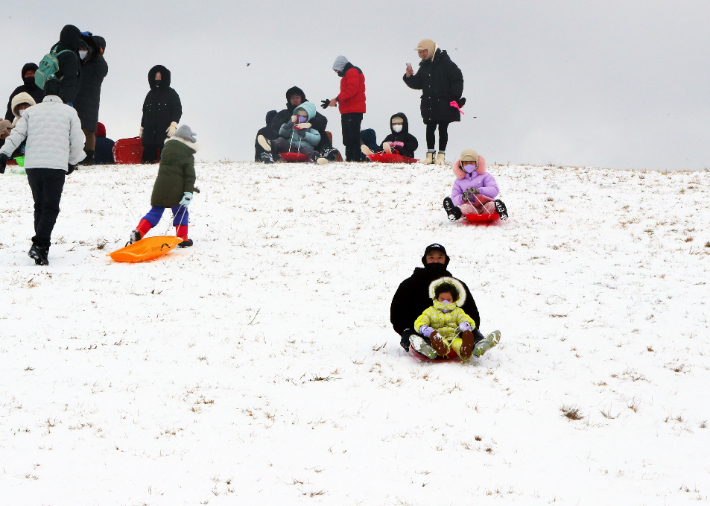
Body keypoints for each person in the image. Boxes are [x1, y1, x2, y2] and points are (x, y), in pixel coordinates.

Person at [0, 78, 85, 266]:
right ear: (60, 94)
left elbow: (17, 135)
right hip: (55, 165)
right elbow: (78, 141)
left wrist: (4, 153)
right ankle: (39, 244)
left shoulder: (30, 112)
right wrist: (72, 161)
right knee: (51, 207)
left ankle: (42, 249)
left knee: (39, 205)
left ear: (45, 94)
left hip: (33, 165)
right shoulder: (70, 112)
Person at [390, 244, 490, 356]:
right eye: (431, 257)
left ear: (446, 260)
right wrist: (406, 330)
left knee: (469, 329)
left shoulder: (456, 285)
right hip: (423, 332)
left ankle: (477, 344)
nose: (435, 261)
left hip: (454, 333)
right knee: (418, 338)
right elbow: (398, 311)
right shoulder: (410, 284)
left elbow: (471, 312)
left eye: (440, 257)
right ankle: (424, 347)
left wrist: (469, 328)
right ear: (425, 260)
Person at [128, 125, 197, 247]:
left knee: (155, 212)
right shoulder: (187, 155)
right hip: (177, 189)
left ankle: (139, 231)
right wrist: (188, 192)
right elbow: (189, 176)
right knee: (181, 212)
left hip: (160, 187)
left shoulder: (166, 150)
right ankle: (182, 238)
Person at [403, 39, 464, 165]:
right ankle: (430, 156)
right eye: (419, 52)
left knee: (443, 128)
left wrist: (454, 97)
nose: (422, 54)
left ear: (430, 50)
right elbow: (418, 83)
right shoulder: (424, 66)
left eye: (424, 51)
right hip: (429, 103)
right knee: (430, 128)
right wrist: (409, 77)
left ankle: (441, 156)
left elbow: (458, 78)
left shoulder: (446, 62)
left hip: (444, 103)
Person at [413, 278, 480, 360]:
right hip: (438, 337)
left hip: (454, 337)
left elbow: (465, 318)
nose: (445, 302)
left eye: (449, 300)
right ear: (436, 298)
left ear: (454, 300)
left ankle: (465, 349)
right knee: (440, 341)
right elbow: (421, 320)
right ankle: (441, 348)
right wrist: (423, 328)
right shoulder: (430, 311)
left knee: (459, 343)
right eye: (442, 299)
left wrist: (465, 325)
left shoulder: (457, 311)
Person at [267, 86, 336, 161]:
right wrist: (288, 123)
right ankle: (270, 151)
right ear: (289, 100)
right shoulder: (284, 113)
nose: (295, 100)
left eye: (297, 97)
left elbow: (323, 121)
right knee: (279, 137)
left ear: (302, 98)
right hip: (288, 143)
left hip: (307, 146)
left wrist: (310, 124)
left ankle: (326, 151)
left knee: (322, 132)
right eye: (292, 98)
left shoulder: (310, 113)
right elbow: (274, 125)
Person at [443, 149, 508, 221]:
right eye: (466, 163)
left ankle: (500, 210)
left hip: (485, 205)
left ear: (476, 163)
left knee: (491, 206)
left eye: (471, 163)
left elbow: (495, 190)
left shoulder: (485, 176)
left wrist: (479, 190)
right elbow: (454, 199)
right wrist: (462, 197)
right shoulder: (459, 182)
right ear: (461, 164)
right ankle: (454, 213)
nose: (469, 165)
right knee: (465, 208)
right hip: (470, 207)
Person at [322, 56, 366, 162]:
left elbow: (352, 90)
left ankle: (354, 159)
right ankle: (350, 159)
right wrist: (334, 102)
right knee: (348, 138)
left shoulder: (352, 72)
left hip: (353, 111)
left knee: (352, 137)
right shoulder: (350, 73)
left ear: (341, 66)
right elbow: (349, 94)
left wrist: (337, 99)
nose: (337, 72)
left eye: (336, 69)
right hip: (348, 110)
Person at [74, 33, 108, 165]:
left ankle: (89, 156)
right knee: (73, 127)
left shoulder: (97, 63)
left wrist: (97, 55)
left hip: (90, 99)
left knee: (89, 129)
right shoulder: (79, 61)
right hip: (76, 97)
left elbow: (102, 71)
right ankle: (75, 154)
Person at [140, 65, 182, 163]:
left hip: (164, 133)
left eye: (160, 76)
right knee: (147, 162)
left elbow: (177, 110)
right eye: (156, 77)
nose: (158, 79)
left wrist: (173, 124)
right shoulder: (150, 94)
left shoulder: (171, 93)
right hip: (149, 135)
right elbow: (145, 112)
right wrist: (142, 127)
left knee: (166, 161)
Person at [47, 25, 83, 107]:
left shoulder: (55, 48)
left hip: (50, 93)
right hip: (63, 98)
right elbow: (70, 79)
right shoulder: (70, 56)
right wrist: (69, 100)